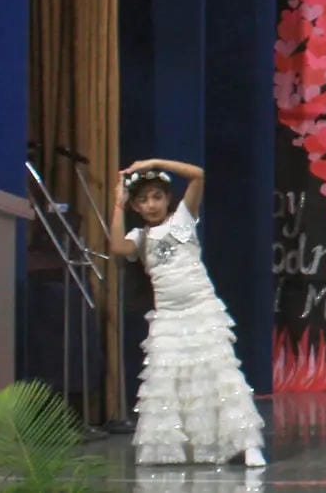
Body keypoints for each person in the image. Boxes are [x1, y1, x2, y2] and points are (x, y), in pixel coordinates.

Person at [109, 160, 267, 467]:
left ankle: (246, 444)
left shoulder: (182, 219)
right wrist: (118, 204)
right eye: (143, 200)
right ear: (136, 207)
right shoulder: (139, 237)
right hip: (168, 317)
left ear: (167, 198)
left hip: (202, 309)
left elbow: (198, 175)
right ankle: (180, 448)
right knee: (169, 381)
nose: (151, 205)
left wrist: (154, 163)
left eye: (157, 197)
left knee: (220, 376)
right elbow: (117, 247)